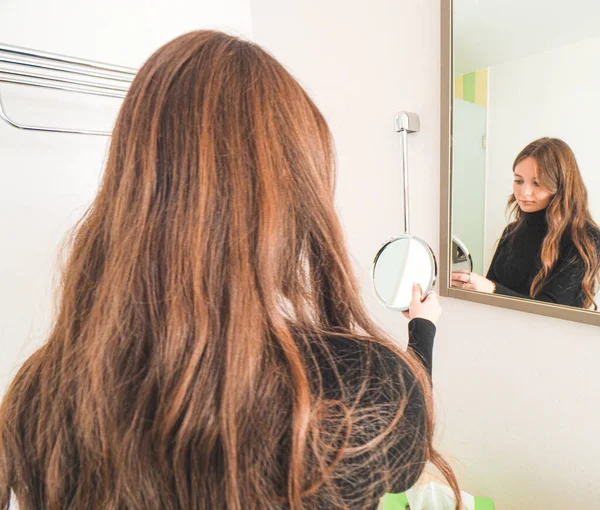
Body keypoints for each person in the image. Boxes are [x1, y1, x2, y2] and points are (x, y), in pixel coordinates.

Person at [0, 31, 460, 510]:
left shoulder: (40, 394)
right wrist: (421, 332)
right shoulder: (358, 388)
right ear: (293, 200)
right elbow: (407, 451)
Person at [452, 137, 600, 310]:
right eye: (518, 181)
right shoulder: (512, 231)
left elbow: (553, 310)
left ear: (561, 186)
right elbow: (491, 297)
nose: (524, 192)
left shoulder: (584, 238)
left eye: (537, 183)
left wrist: (491, 289)